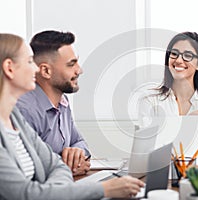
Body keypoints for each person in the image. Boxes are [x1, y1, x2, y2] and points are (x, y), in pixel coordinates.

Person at [0, 33, 144, 199]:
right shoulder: (24, 111)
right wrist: (103, 189)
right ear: (9, 68)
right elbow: (27, 193)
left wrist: (68, 164)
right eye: (30, 61)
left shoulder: (15, 118)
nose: (35, 68)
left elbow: (58, 166)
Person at [16, 30, 91, 176]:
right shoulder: (25, 110)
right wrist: (65, 167)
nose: (79, 70)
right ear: (45, 71)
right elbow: (27, 170)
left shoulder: (62, 102)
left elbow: (79, 141)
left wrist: (77, 153)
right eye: (71, 64)